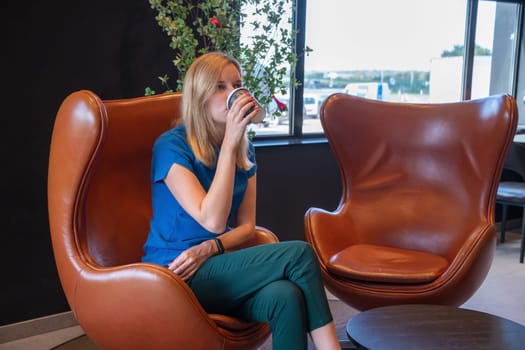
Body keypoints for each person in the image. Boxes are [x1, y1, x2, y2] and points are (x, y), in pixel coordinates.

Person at [142, 51, 341, 350]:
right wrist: (230, 143)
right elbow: (212, 219)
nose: (232, 93)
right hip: (176, 271)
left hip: (217, 263)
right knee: (300, 255)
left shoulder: (244, 149)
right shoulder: (171, 146)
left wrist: (212, 246)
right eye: (219, 87)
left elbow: (247, 227)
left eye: (236, 84)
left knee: (285, 296)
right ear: (199, 96)